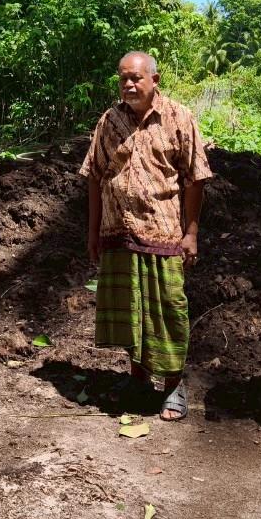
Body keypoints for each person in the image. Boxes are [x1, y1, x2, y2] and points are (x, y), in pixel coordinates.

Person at [80, 52, 212, 421]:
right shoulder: (109, 120)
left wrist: (191, 233)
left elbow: (196, 178)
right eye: (123, 78)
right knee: (131, 311)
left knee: (168, 309)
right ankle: (138, 379)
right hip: (118, 231)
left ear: (155, 79)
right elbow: (94, 176)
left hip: (163, 232)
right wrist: (93, 232)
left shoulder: (178, 117)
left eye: (136, 78)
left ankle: (173, 384)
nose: (129, 84)